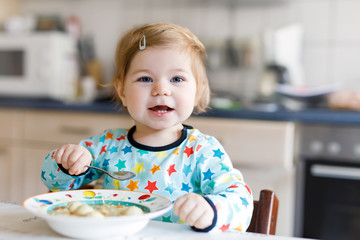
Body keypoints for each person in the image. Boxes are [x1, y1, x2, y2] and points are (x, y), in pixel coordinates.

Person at [41, 22, 253, 232]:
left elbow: (241, 201)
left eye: (176, 79)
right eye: (145, 78)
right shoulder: (107, 146)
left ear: (197, 92)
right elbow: (56, 184)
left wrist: (211, 210)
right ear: (122, 91)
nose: (161, 89)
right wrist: (65, 161)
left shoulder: (203, 150)